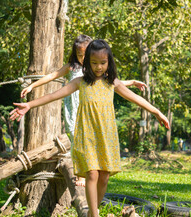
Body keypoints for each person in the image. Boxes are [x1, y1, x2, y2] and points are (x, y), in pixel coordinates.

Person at [10, 39, 170, 217]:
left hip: (107, 135)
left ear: (109, 62)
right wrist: (30, 105)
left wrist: (157, 112)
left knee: (104, 176)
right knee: (92, 174)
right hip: (87, 134)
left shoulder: (113, 83)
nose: (98, 67)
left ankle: (94, 211)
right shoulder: (80, 82)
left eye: (103, 63)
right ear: (87, 62)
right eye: (94, 63)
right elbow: (54, 95)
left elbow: (135, 98)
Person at [20, 34, 147, 187]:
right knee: (74, 135)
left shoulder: (95, 67)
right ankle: (81, 173)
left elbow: (113, 83)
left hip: (91, 108)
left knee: (92, 140)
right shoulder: (72, 67)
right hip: (74, 105)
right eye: (79, 54)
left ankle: (88, 172)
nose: (82, 58)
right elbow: (53, 76)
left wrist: (132, 82)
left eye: (84, 54)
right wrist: (32, 86)